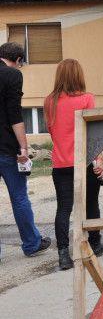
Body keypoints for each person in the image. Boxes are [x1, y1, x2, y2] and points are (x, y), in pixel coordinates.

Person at [44, 59, 103, 270]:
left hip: (60, 163)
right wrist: (99, 160)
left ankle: (63, 254)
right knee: (91, 203)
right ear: (79, 76)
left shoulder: (49, 101)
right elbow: (93, 135)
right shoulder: (87, 99)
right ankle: (95, 243)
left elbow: (52, 131)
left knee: (63, 208)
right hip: (84, 162)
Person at [0, 42, 50, 259]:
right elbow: (14, 114)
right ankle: (31, 243)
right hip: (6, 148)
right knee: (19, 197)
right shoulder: (12, 75)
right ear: (18, 60)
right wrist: (23, 146)